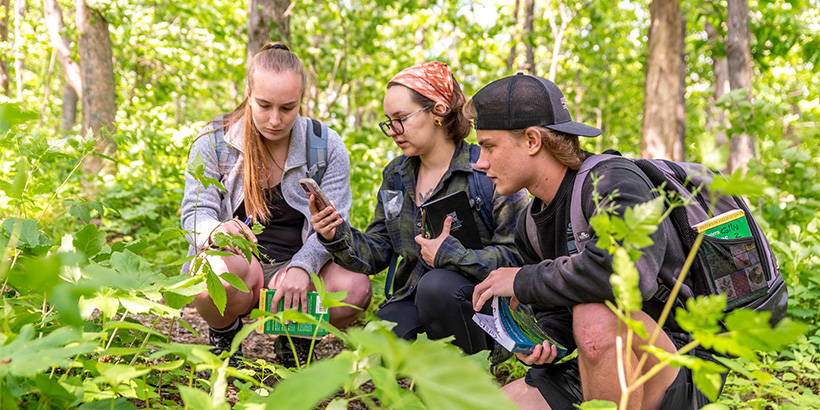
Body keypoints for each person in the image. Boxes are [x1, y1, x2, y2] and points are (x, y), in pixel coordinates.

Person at [468, 73, 722, 409]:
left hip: (684, 360)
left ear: (532, 140)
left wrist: (521, 279)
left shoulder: (612, 179)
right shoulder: (529, 223)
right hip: (604, 361)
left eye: (489, 146)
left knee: (594, 311)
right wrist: (545, 342)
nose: (479, 162)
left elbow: (629, 274)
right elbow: (556, 311)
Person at [308, 62, 528, 354]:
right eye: (389, 121)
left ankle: (470, 378)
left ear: (438, 111)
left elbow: (515, 257)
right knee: (373, 354)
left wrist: (452, 255)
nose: (393, 131)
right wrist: (335, 233)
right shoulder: (397, 175)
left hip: (476, 304)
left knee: (436, 286)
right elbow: (379, 250)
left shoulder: (485, 170)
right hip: (410, 295)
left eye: (401, 118)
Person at [180, 42, 372, 367]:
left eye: (287, 108)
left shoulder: (326, 146)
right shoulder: (214, 140)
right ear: (248, 93)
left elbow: (335, 227)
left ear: (302, 101)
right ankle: (225, 336)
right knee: (209, 273)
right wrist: (216, 230)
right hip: (241, 268)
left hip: (301, 273)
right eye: (264, 105)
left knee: (354, 288)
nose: (274, 120)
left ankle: (295, 339)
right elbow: (194, 214)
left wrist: (303, 266)